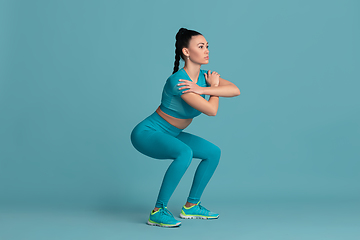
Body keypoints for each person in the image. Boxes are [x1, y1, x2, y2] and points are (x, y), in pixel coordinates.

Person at [130, 27, 240, 228]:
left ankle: (191, 206)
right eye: (200, 46)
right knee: (185, 153)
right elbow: (211, 110)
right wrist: (214, 89)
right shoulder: (179, 82)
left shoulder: (203, 78)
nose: (206, 50)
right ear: (186, 52)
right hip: (148, 133)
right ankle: (158, 211)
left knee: (213, 153)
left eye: (207, 46)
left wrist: (204, 88)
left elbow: (235, 90)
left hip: (172, 132)